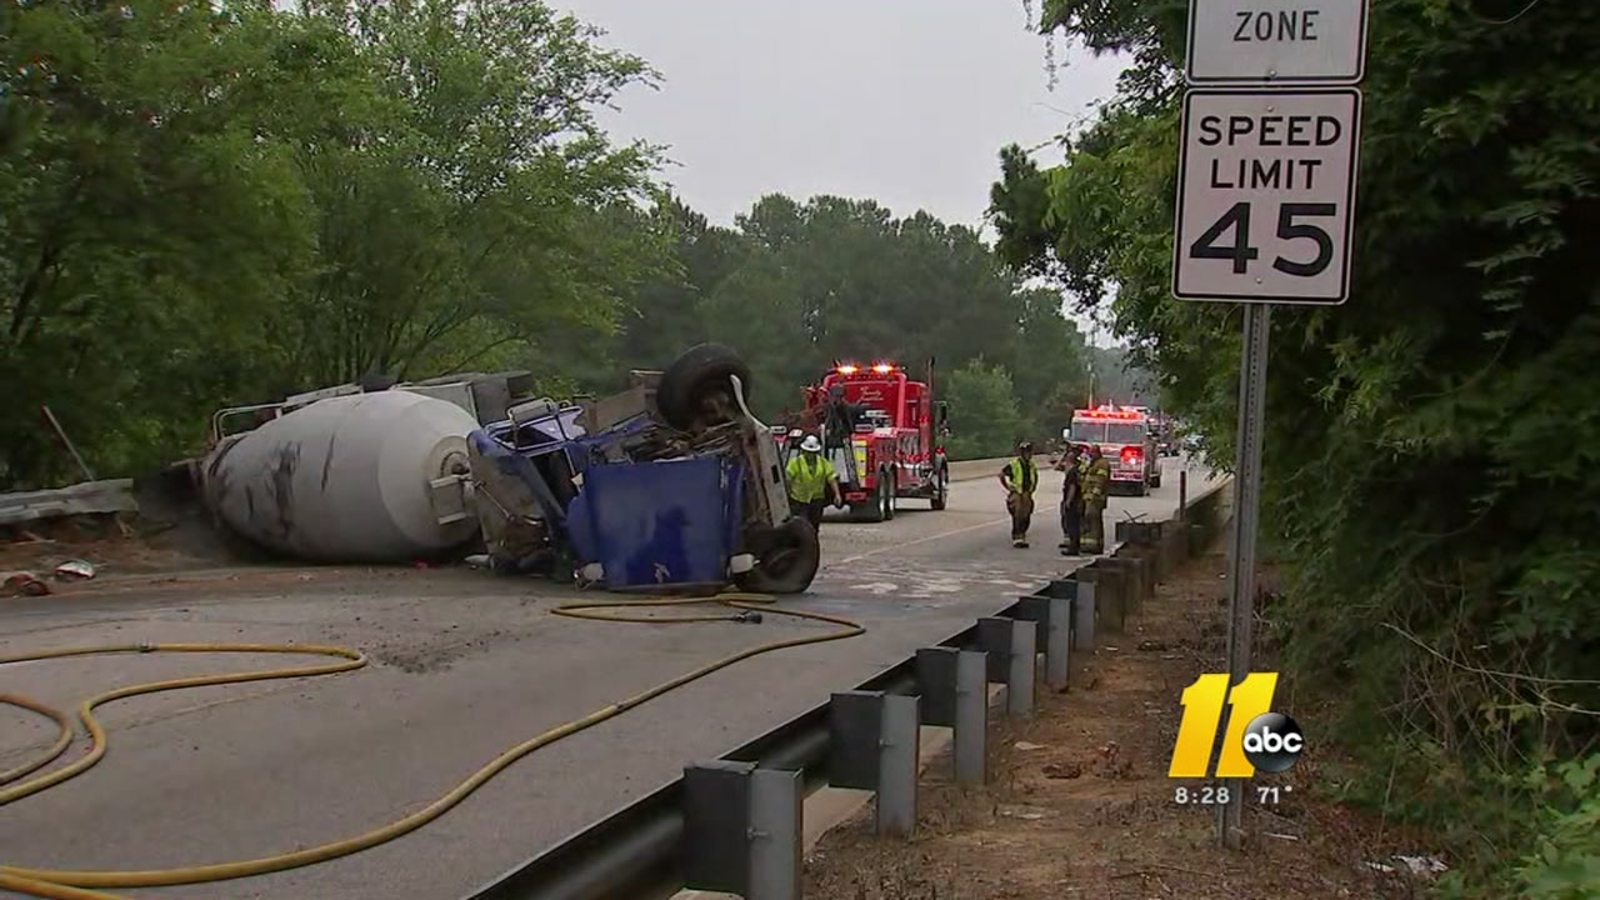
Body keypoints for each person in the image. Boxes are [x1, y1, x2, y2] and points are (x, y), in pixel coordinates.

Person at [785, 433, 842, 529]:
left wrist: (837, 494)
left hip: (816, 500)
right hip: (799, 501)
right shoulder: (795, 463)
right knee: (801, 526)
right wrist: (787, 496)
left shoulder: (823, 463)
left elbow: (831, 478)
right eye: (808, 452)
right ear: (803, 451)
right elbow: (788, 480)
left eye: (813, 452)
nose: (810, 454)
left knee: (814, 526)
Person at [997, 441, 1039, 548]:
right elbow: (1001, 474)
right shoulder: (1014, 464)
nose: (1028, 454)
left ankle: (1022, 535)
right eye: (1026, 452)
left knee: (1027, 515)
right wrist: (1008, 487)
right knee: (1018, 515)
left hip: (1027, 493)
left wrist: (1033, 488)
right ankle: (1017, 537)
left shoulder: (1031, 465)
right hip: (1017, 493)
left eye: (1029, 452)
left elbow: (1035, 477)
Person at [1082, 444, 1112, 554]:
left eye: (1092, 453)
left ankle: (1095, 546)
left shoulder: (1102, 464)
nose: (1091, 455)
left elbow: (1101, 480)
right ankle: (1092, 544)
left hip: (1096, 498)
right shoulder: (1093, 463)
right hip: (1089, 497)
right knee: (1091, 520)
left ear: (1097, 453)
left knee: (1094, 520)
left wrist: (1095, 494)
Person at [1054, 444, 1083, 556]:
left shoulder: (1075, 469)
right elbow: (1056, 467)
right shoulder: (1069, 467)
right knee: (1067, 520)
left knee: (1072, 523)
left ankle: (1073, 547)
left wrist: (1068, 501)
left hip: (1073, 500)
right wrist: (1063, 456)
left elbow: (1073, 487)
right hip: (1070, 498)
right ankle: (1072, 543)